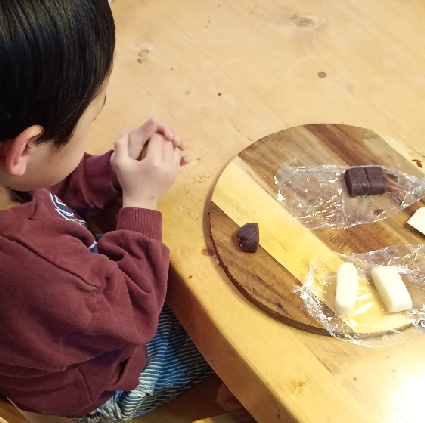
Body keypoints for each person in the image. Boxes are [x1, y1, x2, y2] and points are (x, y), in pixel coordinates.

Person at [0, 1, 212, 422]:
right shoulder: (31, 263)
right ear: (25, 147)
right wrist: (141, 202)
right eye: (91, 119)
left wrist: (109, 172)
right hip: (95, 386)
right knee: (224, 331)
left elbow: (38, 179)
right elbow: (133, 312)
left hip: (53, 327)